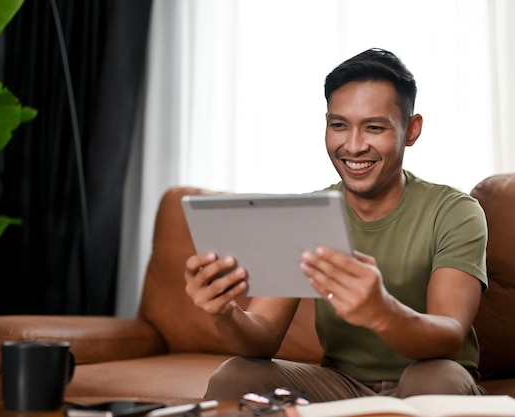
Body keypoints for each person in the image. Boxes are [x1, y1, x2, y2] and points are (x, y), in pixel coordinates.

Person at [184, 48, 488, 402]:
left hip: (429, 377)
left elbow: (449, 336)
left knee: (437, 381)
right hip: (340, 386)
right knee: (235, 375)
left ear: (411, 130)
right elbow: (263, 336)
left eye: (374, 128)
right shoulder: (306, 215)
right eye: (339, 125)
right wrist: (224, 313)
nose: (354, 146)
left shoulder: (455, 212)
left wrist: (382, 311)